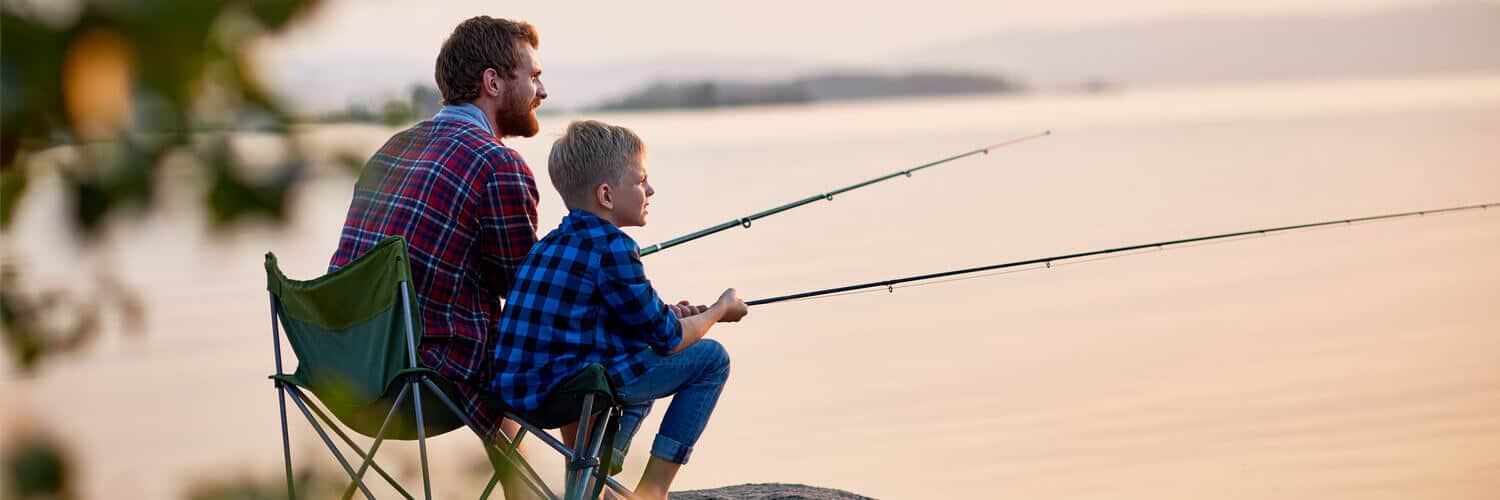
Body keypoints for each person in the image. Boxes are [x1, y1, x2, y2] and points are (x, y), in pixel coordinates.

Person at [327, 15, 546, 498]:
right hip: (418, 384)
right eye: (532, 76)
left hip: (344, 370)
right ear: (493, 82)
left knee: (482, 338)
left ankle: (527, 492)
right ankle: (591, 484)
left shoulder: (391, 148)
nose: (541, 90)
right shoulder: (498, 164)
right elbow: (529, 298)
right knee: (563, 340)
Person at [492, 120, 748, 500]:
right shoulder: (614, 247)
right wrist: (716, 311)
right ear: (607, 196)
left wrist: (671, 311)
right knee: (711, 359)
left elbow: (614, 314)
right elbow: (668, 336)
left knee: (634, 353)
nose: (650, 189)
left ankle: (598, 482)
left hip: (519, 395)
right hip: (573, 393)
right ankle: (652, 491)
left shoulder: (547, 245)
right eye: (641, 180)